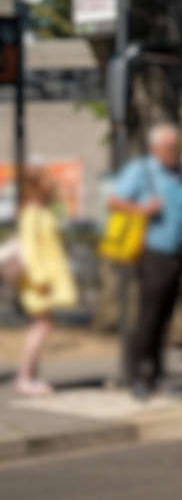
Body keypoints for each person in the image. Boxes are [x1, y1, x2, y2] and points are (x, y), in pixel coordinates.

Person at [108, 122, 182, 399]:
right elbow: (115, 201)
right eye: (169, 148)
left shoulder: (175, 174)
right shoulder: (142, 170)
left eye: (175, 147)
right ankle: (137, 377)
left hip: (175, 256)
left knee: (164, 318)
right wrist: (142, 209)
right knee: (149, 318)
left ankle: (157, 375)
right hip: (153, 255)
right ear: (155, 148)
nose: (173, 152)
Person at [14, 168, 79, 398]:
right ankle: (24, 378)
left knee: (39, 326)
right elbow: (29, 248)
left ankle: (29, 377)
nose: (51, 184)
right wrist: (40, 279)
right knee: (42, 327)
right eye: (47, 181)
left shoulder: (40, 209)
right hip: (39, 281)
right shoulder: (32, 212)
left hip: (43, 279)